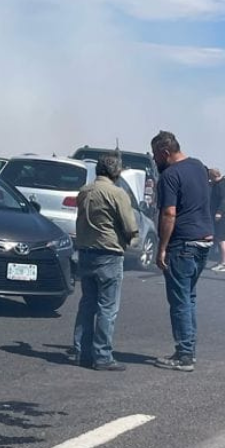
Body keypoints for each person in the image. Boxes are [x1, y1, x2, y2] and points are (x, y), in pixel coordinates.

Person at [150, 130, 214, 372]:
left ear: (165, 152)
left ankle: (184, 354)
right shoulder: (199, 167)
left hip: (183, 244)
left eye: (156, 156)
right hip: (204, 242)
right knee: (189, 298)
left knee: (180, 301)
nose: (155, 161)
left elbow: (169, 213)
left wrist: (162, 248)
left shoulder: (169, 176)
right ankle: (189, 350)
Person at [70, 155, 139, 371]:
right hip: (109, 253)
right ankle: (102, 356)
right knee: (107, 308)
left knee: (87, 304)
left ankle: (82, 352)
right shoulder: (118, 193)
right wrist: (131, 240)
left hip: (86, 252)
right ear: (116, 172)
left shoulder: (85, 191)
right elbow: (130, 227)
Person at [209, 168, 225, 271]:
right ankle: (221, 262)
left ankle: (223, 264)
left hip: (223, 217)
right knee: (219, 238)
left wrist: (219, 212)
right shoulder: (219, 184)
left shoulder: (222, 185)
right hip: (222, 216)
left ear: (213, 176)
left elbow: (224, 200)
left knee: (221, 239)